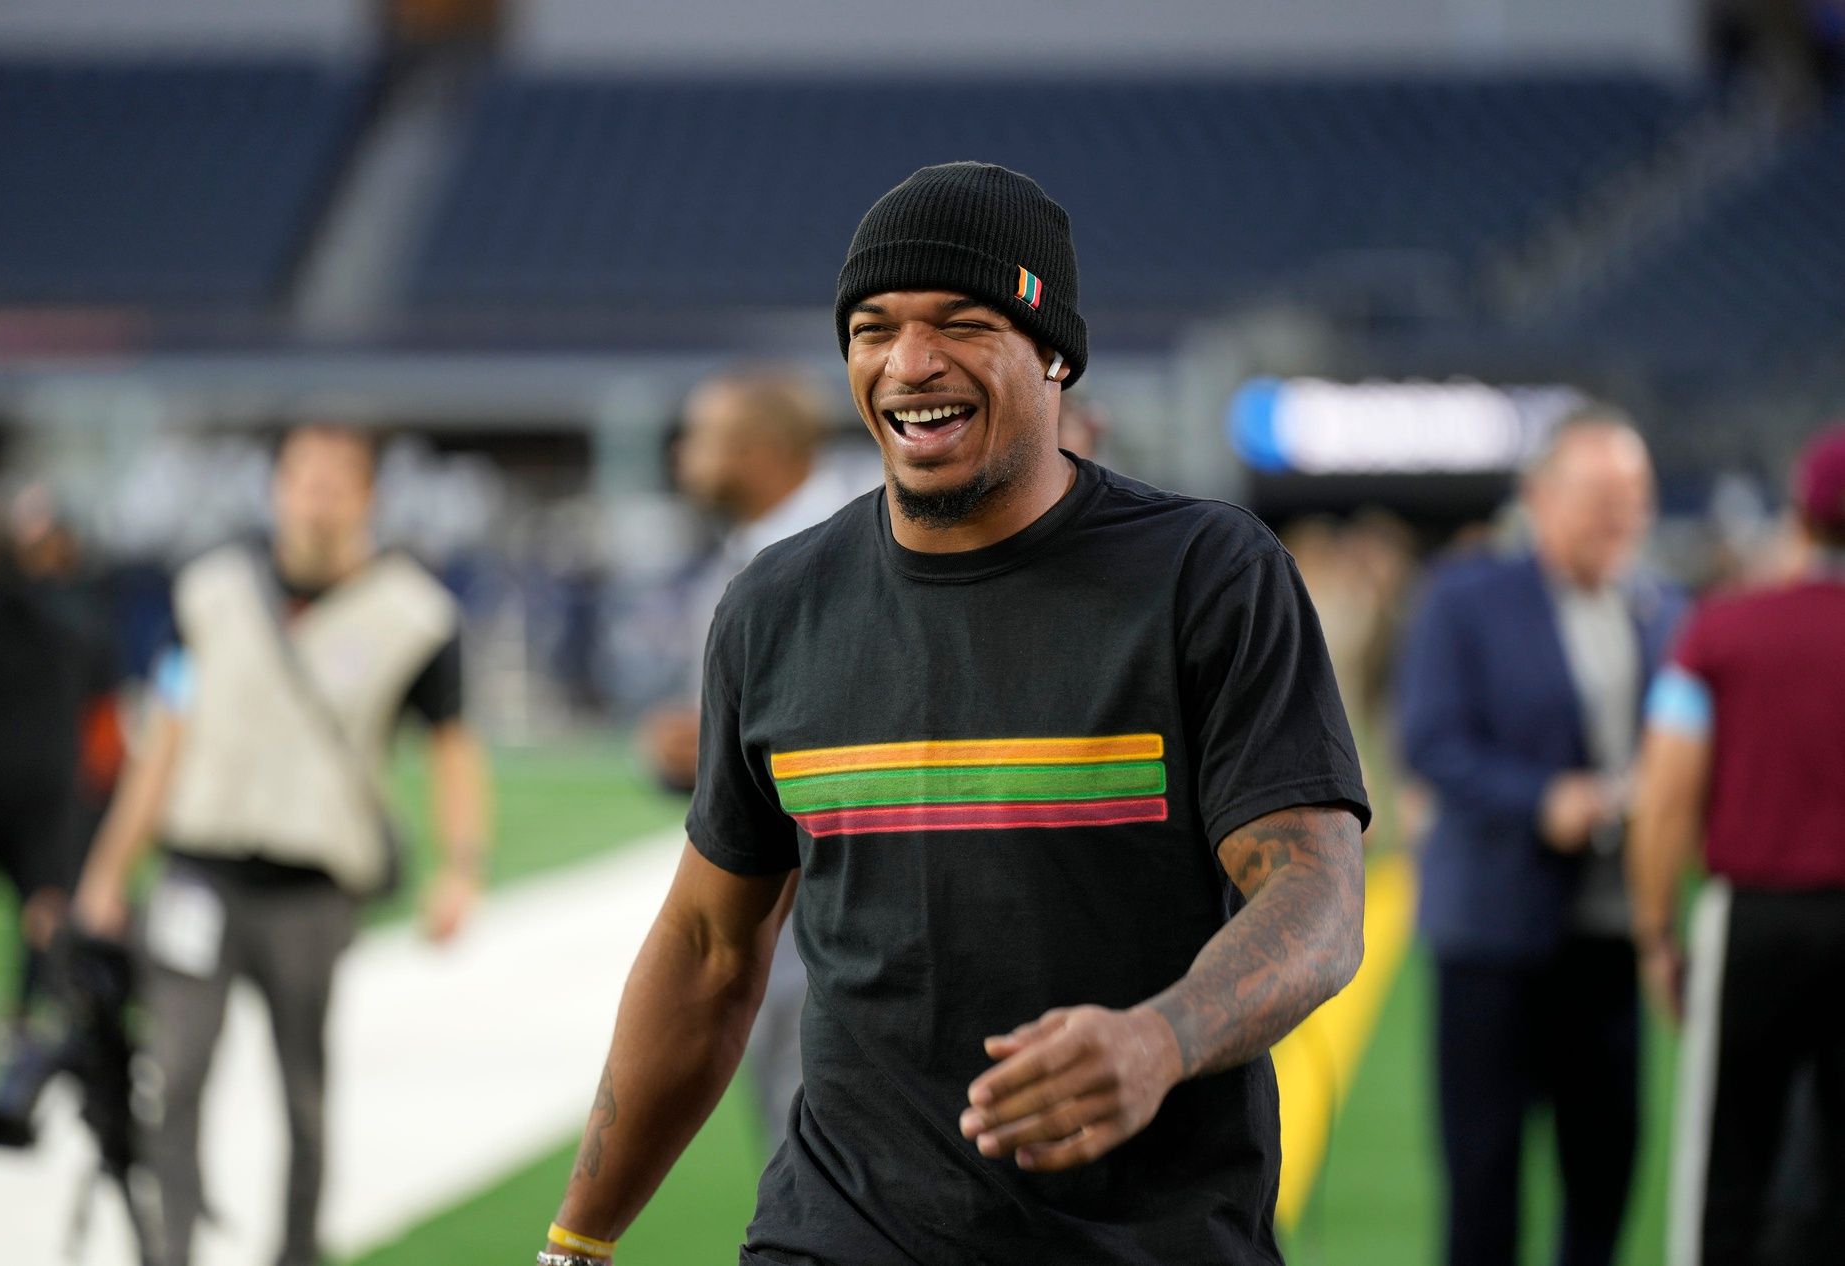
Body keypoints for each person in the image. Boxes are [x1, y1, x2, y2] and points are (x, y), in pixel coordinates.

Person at [536, 162, 1368, 1266]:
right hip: (837, 1233)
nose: (908, 364)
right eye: (872, 328)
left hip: (1143, 1240)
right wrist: (575, 1244)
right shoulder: (776, 606)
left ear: (1054, 353)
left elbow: (1315, 892)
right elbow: (706, 946)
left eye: (962, 322)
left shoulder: (1207, 577)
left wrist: (1159, 1039)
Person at [73, 423, 492, 1266]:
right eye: (302, 476)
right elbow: (165, 740)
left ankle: (298, 1253)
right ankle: (169, 1252)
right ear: (275, 488)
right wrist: (108, 872)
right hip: (200, 870)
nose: (317, 494)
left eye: (338, 479)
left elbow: (452, 748)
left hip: (311, 885)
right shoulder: (210, 593)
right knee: (177, 1074)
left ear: (369, 495)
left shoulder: (414, 614)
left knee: (303, 1091)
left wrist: (459, 869)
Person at [1398, 411, 1683, 1266]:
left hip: (1609, 934)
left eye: (1636, 497)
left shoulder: (1664, 606)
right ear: (1541, 499)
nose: (1622, 516)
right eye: (1602, 496)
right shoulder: (1466, 596)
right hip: (1495, 936)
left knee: (1607, 1173)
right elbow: (1431, 742)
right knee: (1484, 1185)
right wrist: (1543, 800)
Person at [1629, 424, 1845, 1264]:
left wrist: (1657, 934)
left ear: (1799, 518)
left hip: (1754, 918)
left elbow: (1667, 794)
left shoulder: (1723, 632)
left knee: (1730, 1161)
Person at [638, 368, 863, 1157]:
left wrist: (711, 747)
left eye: (704, 438)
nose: (683, 456)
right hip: (778, 894)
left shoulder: (844, 545)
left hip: (840, 900)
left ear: (762, 451)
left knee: (831, 1159)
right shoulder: (755, 549)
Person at [0, 511, 118, 1044]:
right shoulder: (70, 624)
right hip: (48, 790)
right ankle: (42, 1015)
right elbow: (102, 720)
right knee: (46, 909)